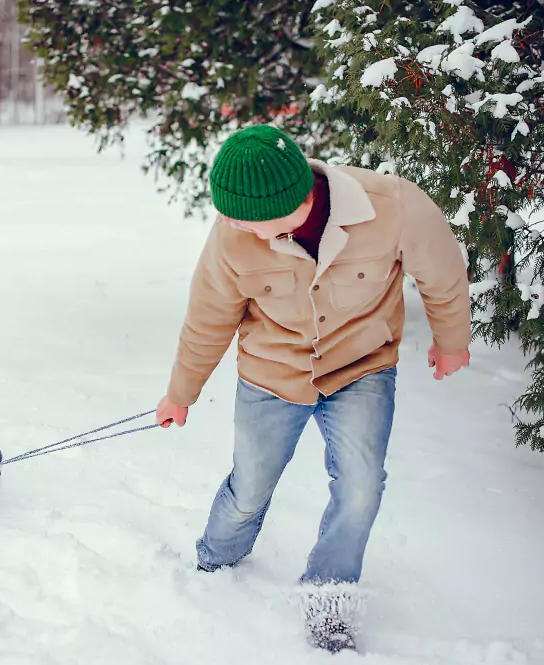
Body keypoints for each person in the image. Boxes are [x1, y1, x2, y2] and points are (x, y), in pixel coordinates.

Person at [154, 125, 471, 651]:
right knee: (250, 485)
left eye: (246, 219)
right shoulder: (233, 235)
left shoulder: (391, 204)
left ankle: (328, 596)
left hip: (361, 367)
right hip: (272, 373)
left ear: (295, 200)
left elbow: (442, 272)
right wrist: (180, 393)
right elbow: (208, 318)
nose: (234, 227)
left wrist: (452, 339)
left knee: (361, 487)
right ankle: (216, 561)